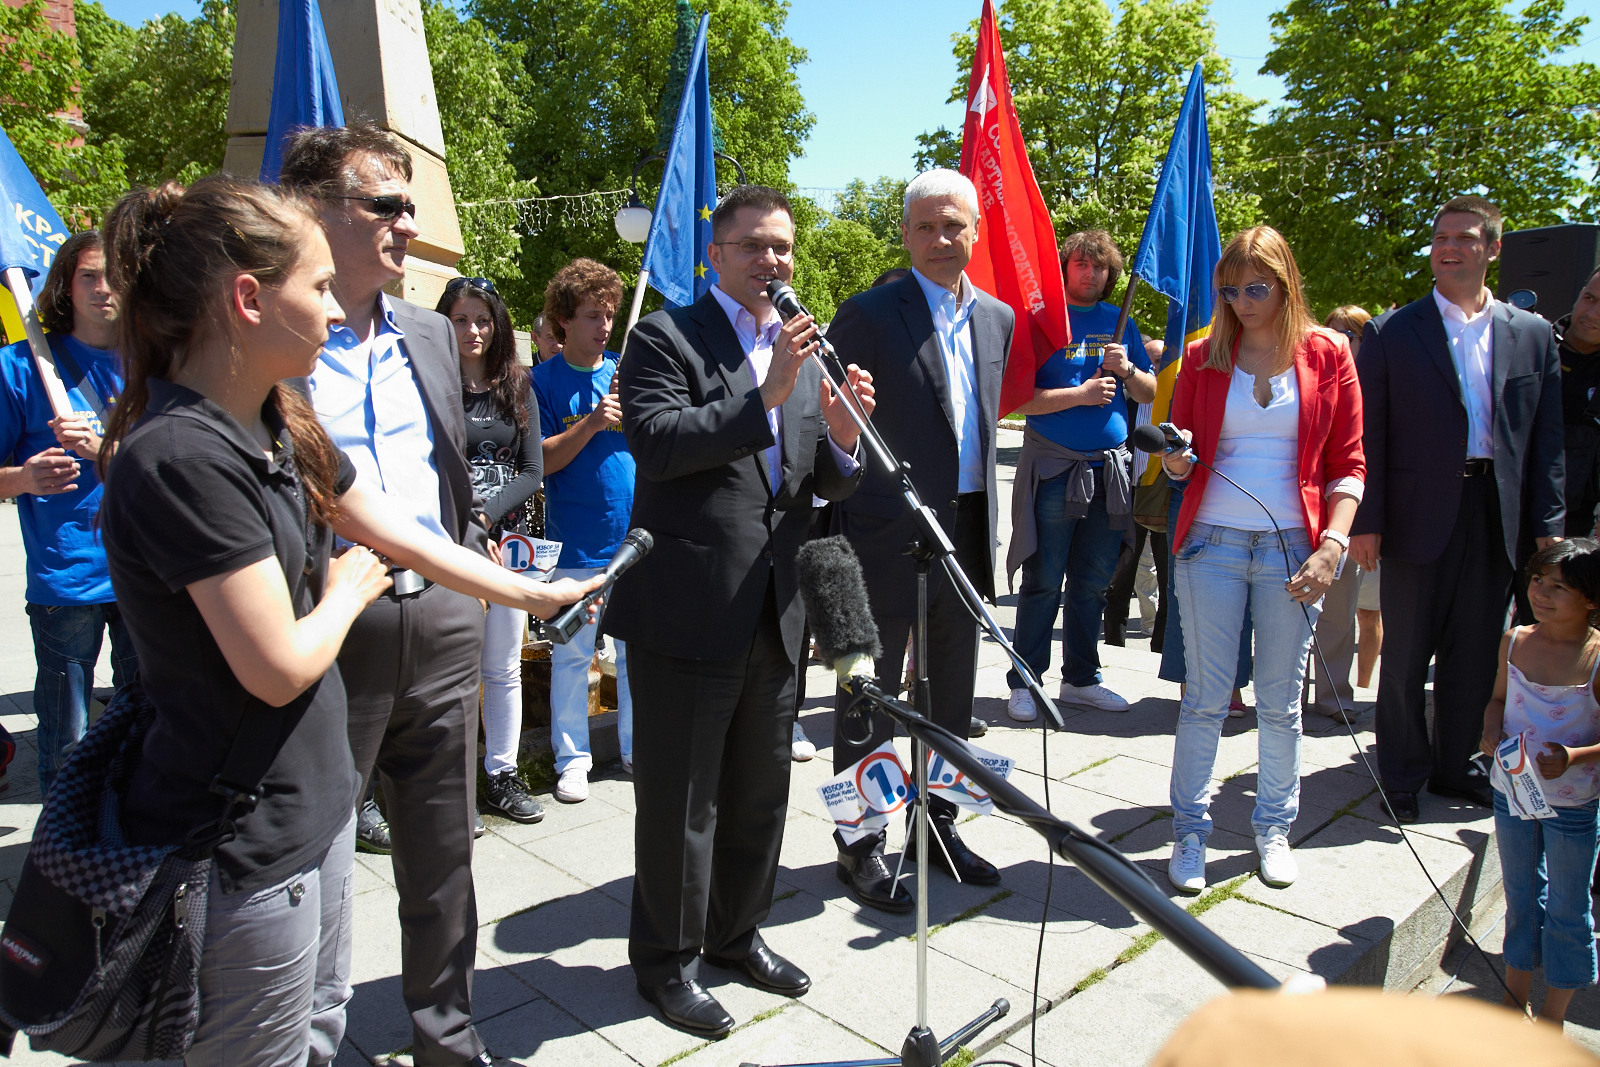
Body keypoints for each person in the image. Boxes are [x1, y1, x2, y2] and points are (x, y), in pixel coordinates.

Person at [95, 177, 600, 1067]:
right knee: (260, 1039)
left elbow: (389, 519)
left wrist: (524, 593)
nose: (337, 315)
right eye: (318, 288)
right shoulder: (185, 451)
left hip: (304, 795)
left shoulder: (278, 421)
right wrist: (348, 591)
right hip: (239, 826)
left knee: (319, 1010)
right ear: (248, 299)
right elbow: (280, 664)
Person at [608, 184, 871, 1037]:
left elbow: (812, 485)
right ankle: (668, 963)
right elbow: (658, 440)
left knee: (760, 793)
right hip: (689, 604)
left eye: (784, 247)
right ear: (714, 256)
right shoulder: (665, 335)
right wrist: (765, 392)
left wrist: (841, 430)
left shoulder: (802, 348)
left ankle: (734, 934)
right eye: (754, 245)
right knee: (683, 800)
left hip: (776, 605)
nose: (773, 261)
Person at [279, 121, 509, 1066]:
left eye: (412, 204)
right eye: (386, 204)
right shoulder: (276, 335)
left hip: (447, 618)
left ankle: (447, 1039)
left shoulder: (427, 328)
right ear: (312, 211)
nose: (409, 223)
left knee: (445, 852)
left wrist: (477, 574)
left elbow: (448, 466)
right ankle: (292, 1037)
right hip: (328, 628)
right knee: (310, 859)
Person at [826, 168, 1014, 909]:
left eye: (955, 226)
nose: (942, 239)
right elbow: (831, 420)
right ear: (904, 234)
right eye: (927, 227)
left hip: (964, 530)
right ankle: (861, 839)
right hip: (883, 531)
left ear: (976, 232)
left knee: (952, 694)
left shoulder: (997, 318)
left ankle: (938, 827)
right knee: (865, 697)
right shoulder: (869, 313)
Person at [1160, 226, 1364, 894]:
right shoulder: (1201, 355)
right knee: (1205, 700)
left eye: (1257, 289)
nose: (1244, 302)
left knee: (1280, 704)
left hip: (1294, 550)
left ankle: (1272, 827)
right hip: (1210, 543)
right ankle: (1189, 830)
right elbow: (1177, 455)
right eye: (1231, 290)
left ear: (1285, 283)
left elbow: (1348, 464)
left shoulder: (1328, 352)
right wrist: (1173, 458)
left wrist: (1333, 543)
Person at [1351, 195, 1566, 825]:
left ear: (1493, 248)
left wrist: (1548, 533)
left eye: (1466, 237)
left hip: (1496, 515)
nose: (1449, 247)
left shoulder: (1532, 336)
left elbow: (1547, 444)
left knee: (1475, 653)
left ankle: (1458, 766)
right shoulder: (1393, 331)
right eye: (1441, 236)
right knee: (1407, 651)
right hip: (1417, 513)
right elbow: (1371, 434)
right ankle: (1401, 775)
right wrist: (1367, 519)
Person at [0, 230, 138, 793]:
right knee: (68, 739)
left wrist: (106, 448)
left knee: (146, 726)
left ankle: (132, 846)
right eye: (89, 275)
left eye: (115, 274)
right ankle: (62, 852)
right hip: (68, 582)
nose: (104, 288)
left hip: (148, 571)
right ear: (65, 284)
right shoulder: (21, 366)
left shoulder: (159, 359)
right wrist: (24, 477)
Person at [1005, 230, 1155, 721]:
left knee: (1093, 583)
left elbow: (1150, 393)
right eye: (1081, 265)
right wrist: (1082, 394)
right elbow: (1019, 400)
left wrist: (1129, 369)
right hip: (1053, 467)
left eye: (1100, 267)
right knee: (1044, 580)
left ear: (1111, 275)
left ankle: (1082, 680)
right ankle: (1026, 680)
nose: (1090, 274)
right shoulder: (1042, 322)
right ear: (1064, 268)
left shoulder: (1119, 322)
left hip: (1109, 471)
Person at [437, 275, 546, 824]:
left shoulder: (517, 385)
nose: (472, 330)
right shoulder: (426, 382)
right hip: (446, 545)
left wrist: (485, 517)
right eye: (460, 319)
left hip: (505, 546)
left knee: (502, 666)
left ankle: (502, 773)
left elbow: (532, 472)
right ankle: (452, 787)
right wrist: (466, 526)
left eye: (482, 319)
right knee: (452, 670)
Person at [1478, 539, 1600, 1024]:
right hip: (1512, 795)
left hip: (1573, 804)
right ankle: (1513, 1001)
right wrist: (1490, 730)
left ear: (1591, 599)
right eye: (1536, 581)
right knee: (1522, 897)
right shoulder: (1516, 640)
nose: (1541, 594)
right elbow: (1496, 701)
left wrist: (1573, 756)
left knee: (1569, 909)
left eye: (1559, 587)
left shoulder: (1595, 657)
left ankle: (1554, 1016)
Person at [533, 258, 635, 803]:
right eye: (594, 315)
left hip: (635, 541)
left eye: (611, 315)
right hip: (575, 545)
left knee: (638, 653)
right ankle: (573, 760)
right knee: (574, 657)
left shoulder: (627, 371)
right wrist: (594, 421)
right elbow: (539, 461)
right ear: (564, 319)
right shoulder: (540, 381)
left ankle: (636, 747)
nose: (604, 326)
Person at [1305, 305, 1376, 724]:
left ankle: (1334, 696)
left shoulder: (1376, 385)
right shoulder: (1307, 377)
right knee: (1294, 612)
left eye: (1349, 332)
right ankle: (1288, 696)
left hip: (1349, 517)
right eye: (1330, 329)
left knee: (1340, 612)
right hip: (1303, 509)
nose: (1337, 338)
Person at [1552, 267, 1600, 537]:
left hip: (1575, 529)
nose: (1592, 314)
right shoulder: (1532, 348)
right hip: (1504, 516)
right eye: (1590, 299)